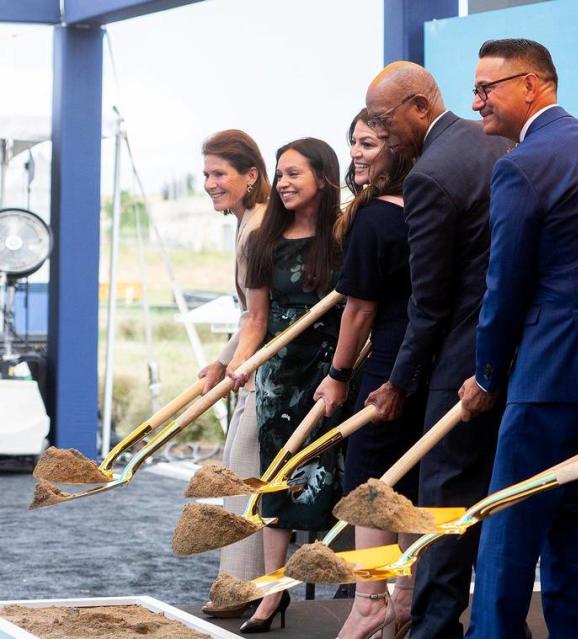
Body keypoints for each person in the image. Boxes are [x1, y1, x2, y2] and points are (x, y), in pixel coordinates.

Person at [458, 39, 578, 639]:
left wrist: (487, 375)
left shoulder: (520, 167)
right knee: (576, 527)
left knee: (508, 524)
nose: (476, 102)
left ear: (532, 86)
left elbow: (504, 288)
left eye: (485, 89)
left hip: (546, 373)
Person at [364, 62, 512, 639]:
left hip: (461, 360)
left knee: (445, 496)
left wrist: (399, 382)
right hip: (521, 352)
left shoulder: (430, 175)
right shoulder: (496, 142)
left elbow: (429, 302)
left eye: (383, 118)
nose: (379, 131)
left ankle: (432, 627)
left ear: (420, 107)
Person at [313, 110, 422, 639]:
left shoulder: (376, 217)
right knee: (413, 480)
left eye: (371, 143)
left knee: (371, 483)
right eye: (353, 142)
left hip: (388, 362)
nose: (357, 153)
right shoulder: (428, 206)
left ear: (397, 150)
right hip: (430, 360)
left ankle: (369, 600)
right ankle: (404, 594)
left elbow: (359, 311)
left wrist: (337, 375)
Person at [235, 138, 345, 634]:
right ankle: (271, 594)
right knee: (275, 480)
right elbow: (255, 320)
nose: (282, 183)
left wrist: (341, 371)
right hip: (280, 376)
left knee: (338, 474)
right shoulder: (264, 243)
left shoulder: (344, 237)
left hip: (335, 372)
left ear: (323, 178)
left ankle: (361, 589)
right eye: (280, 174)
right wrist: (242, 369)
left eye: (293, 173)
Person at [197, 129, 270, 618]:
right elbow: (248, 315)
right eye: (205, 174)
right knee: (237, 470)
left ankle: (241, 588)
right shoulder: (246, 221)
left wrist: (237, 365)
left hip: (268, 365)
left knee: (242, 472)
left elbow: (259, 317)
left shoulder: (257, 226)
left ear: (250, 175)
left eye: (219, 173)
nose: (209, 183)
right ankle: (243, 585)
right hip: (252, 357)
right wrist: (222, 361)